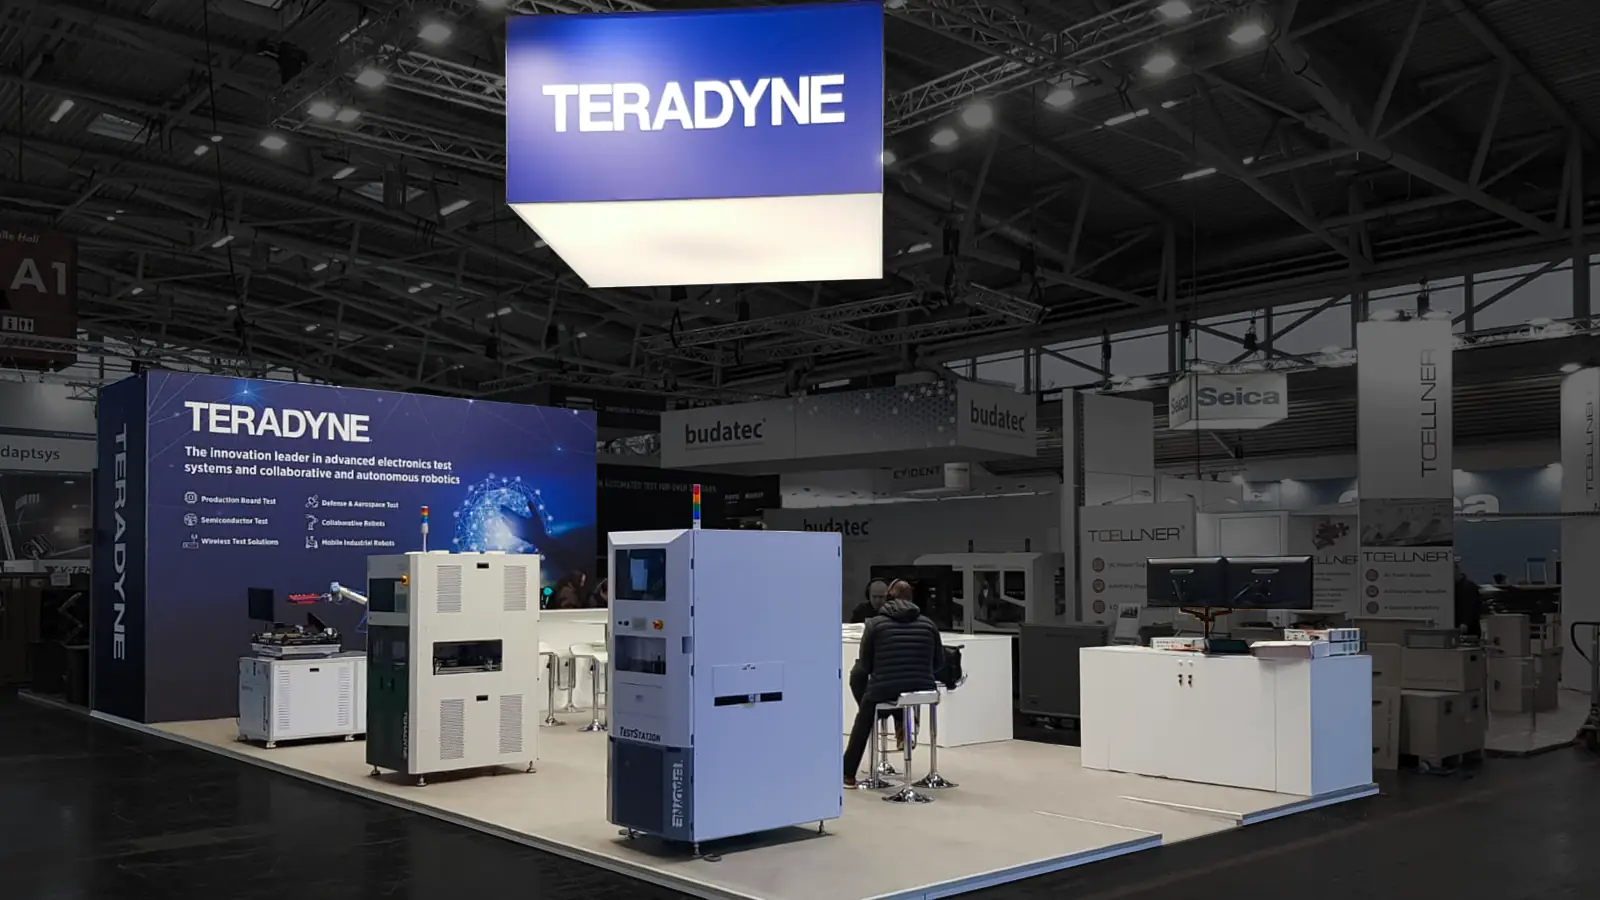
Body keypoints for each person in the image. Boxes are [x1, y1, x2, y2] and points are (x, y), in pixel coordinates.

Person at [843, 580, 944, 788]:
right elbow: (938, 664)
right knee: (899, 694)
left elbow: (866, 665)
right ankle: (901, 724)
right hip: (923, 688)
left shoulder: (874, 624)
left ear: (888, 598)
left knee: (865, 713)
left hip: (885, 688)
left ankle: (848, 774)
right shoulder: (929, 624)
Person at [1454, 563, 1483, 638]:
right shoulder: (1450, 588)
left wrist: (1466, 622)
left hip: (1470, 630)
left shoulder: (1470, 587)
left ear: (1457, 570)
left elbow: (1474, 607)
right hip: (1455, 629)